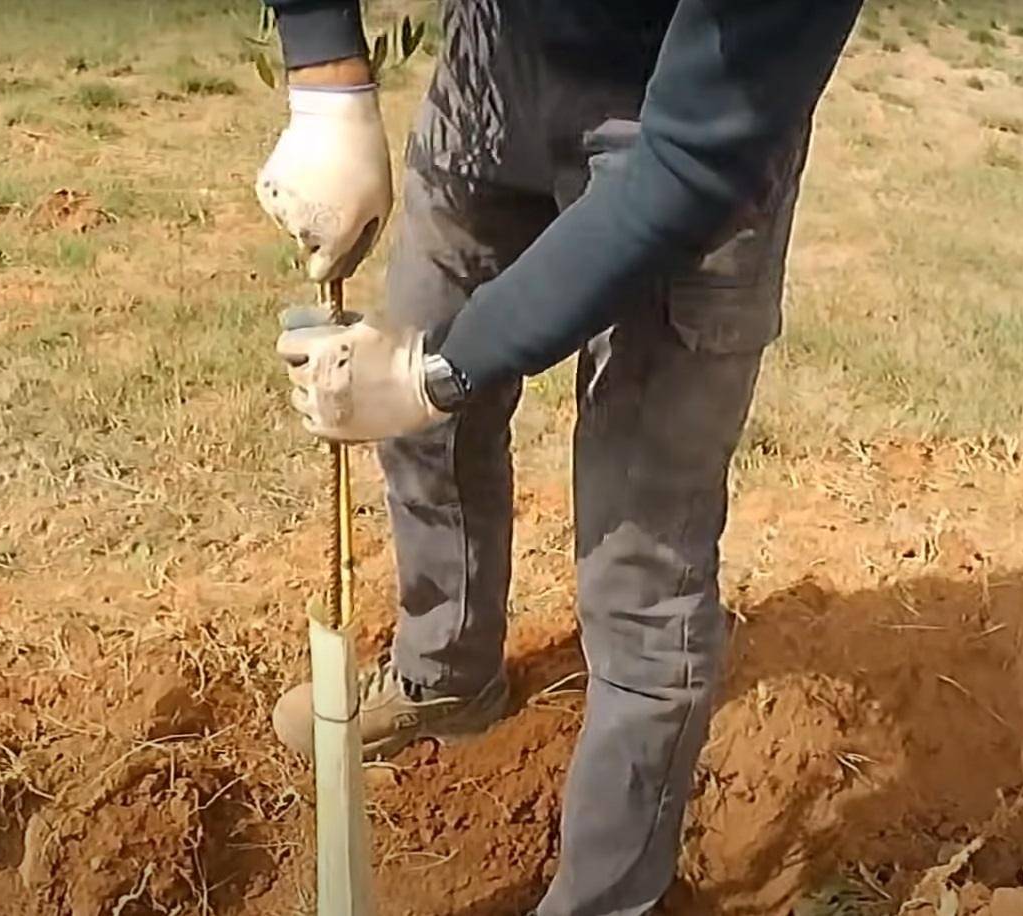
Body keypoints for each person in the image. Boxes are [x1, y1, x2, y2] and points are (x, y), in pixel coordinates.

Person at [255, 2, 863, 913]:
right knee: (427, 434)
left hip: (686, 114)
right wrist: (325, 77)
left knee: (640, 561)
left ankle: (607, 897)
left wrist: (437, 368)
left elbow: (690, 159)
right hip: (498, 62)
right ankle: (445, 675)